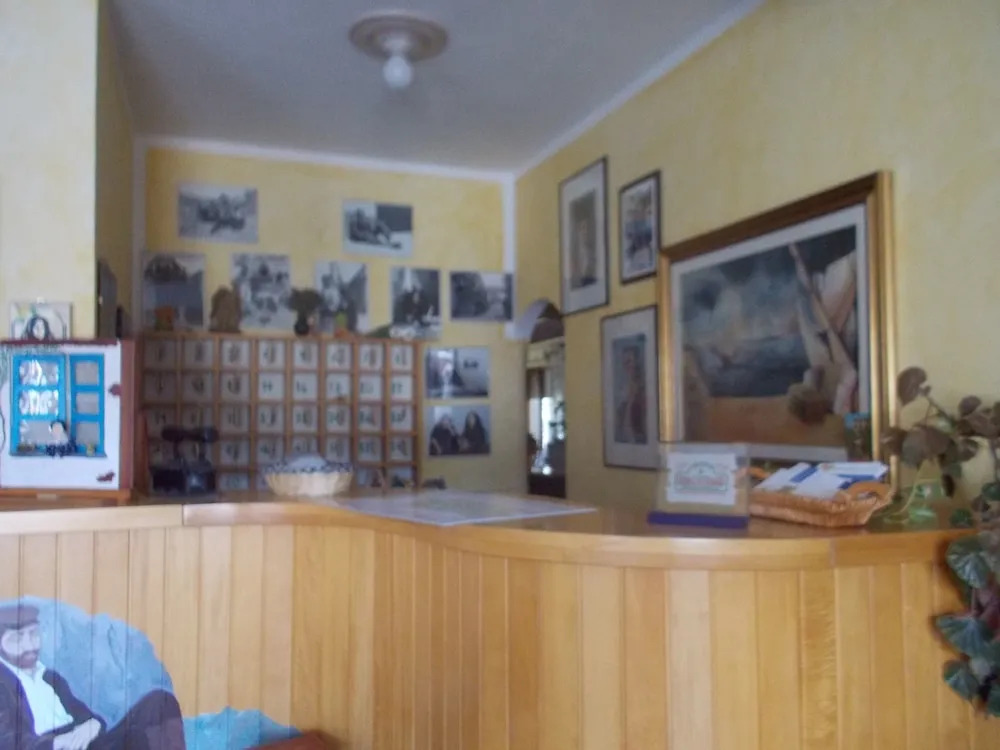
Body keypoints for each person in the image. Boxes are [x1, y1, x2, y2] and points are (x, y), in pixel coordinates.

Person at [0, 603, 185, 749]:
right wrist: (57, 743)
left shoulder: (49, 678)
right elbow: (7, 740)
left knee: (159, 702)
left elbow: (85, 716)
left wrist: (92, 724)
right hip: (50, 746)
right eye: (17, 638)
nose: (29, 645)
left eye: (33, 634)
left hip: (87, 744)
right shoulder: (3, 683)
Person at [615, 346, 647, 444]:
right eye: (624, 362)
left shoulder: (644, 387)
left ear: (636, 362)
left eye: (629, 361)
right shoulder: (623, 388)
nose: (626, 365)